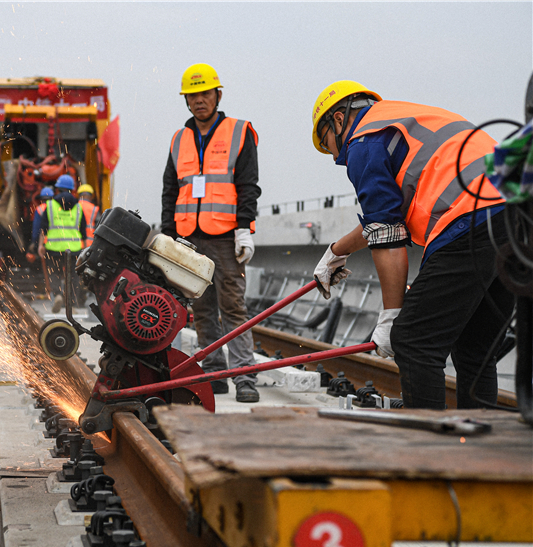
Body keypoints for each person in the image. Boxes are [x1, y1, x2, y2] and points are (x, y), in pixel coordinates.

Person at [309, 80, 511, 409]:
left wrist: (390, 318)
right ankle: (480, 453)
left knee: (412, 341)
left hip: (471, 220)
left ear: (338, 120)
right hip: (515, 218)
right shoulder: (399, 124)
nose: (336, 157)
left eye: (328, 145)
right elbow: (388, 216)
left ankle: (426, 453)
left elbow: (387, 234)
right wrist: (337, 251)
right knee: (475, 349)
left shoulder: (362, 141)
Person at [161, 63, 261, 402]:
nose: (199, 100)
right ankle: (215, 372)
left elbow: (248, 185)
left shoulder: (239, 132)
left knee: (233, 307)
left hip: (225, 236)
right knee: (201, 308)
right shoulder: (179, 139)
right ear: (186, 101)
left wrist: (245, 229)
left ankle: (244, 376)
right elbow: (170, 189)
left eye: (205, 93)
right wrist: (168, 235)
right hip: (190, 239)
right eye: (193, 95)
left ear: (218, 95)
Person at [37, 175, 86, 313]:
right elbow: (83, 231)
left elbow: (43, 228)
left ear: (57, 189)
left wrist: (41, 245)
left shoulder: (50, 205)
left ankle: (58, 295)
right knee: (73, 276)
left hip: (54, 248)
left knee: (55, 274)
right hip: (74, 248)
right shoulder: (78, 207)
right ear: (72, 190)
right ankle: (72, 305)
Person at [77, 184, 100, 248]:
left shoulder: (75, 207)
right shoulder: (94, 209)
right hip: (89, 244)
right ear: (91, 196)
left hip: (75, 243)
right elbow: (98, 227)